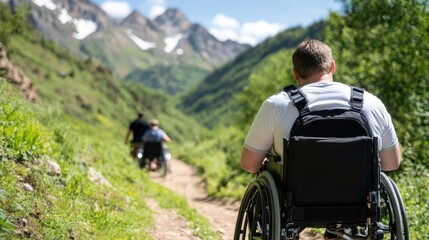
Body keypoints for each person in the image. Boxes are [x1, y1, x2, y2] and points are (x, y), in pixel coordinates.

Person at [241, 39, 401, 174]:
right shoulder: (371, 103)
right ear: (332, 67)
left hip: (298, 206)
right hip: (359, 205)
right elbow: (392, 163)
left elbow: (249, 164)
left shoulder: (276, 105)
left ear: (295, 74)